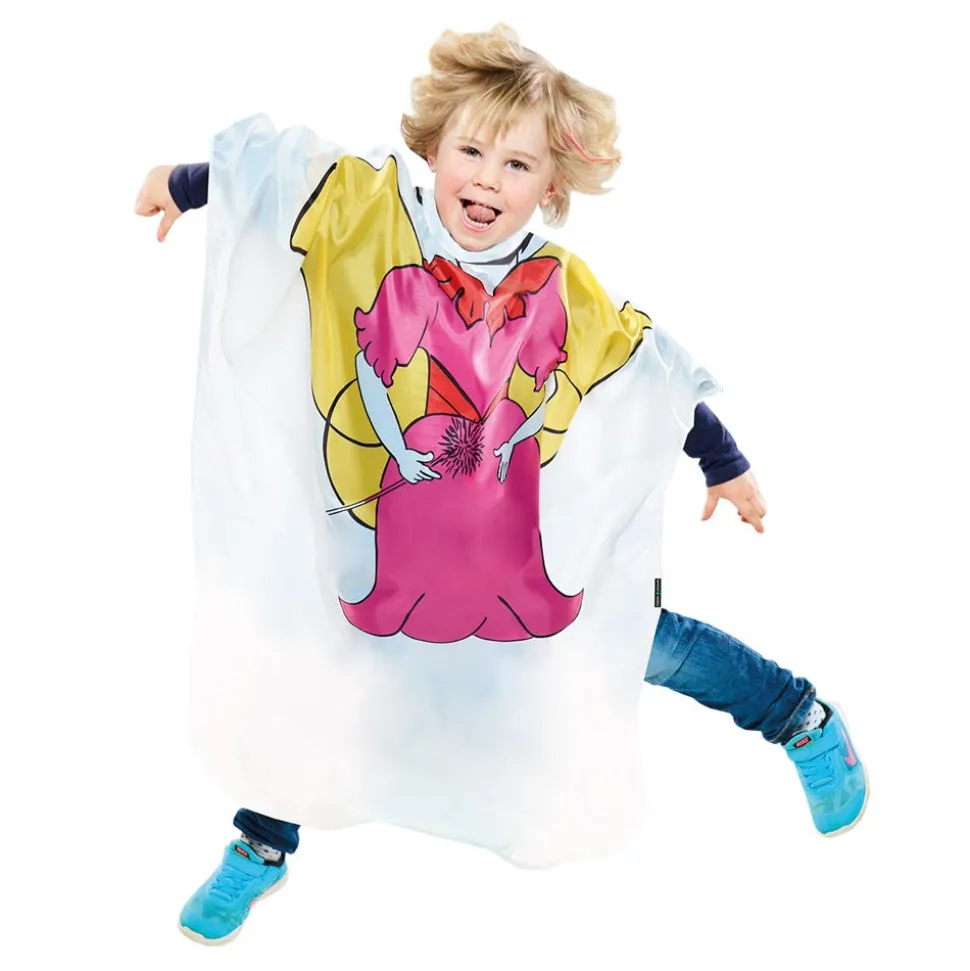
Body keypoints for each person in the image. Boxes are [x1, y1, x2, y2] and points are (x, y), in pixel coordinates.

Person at [136, 24, 867, 947]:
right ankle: (263, 840)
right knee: (315, 662)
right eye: (471, 152)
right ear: (432, 148)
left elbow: (639, 371)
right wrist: (183, 184)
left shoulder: (559, 286)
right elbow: (271, 183)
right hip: (383, 534)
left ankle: (798, 717)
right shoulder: (362, 210)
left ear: (551, 187)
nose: (486, 179)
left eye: (517, 164)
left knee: (619, 641)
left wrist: (721, 460)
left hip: (511, 542)